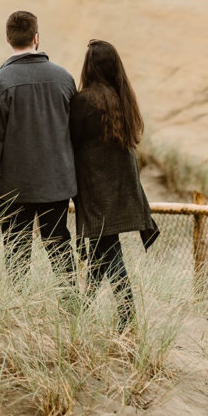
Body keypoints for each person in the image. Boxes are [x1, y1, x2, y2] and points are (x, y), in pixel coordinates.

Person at [0, 10, 77, 285]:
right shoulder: (64, 79)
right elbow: (75, 133)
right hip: (56, 184)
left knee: (16, 251)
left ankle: (18, 305)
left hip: (15, 187)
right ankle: (71, 304)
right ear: (36, 38)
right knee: (59, 246)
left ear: (8, 39)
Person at [69, 39, 158, 331]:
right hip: (122, 187)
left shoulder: (84, 101)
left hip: (97, 189)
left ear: (89, 67)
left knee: (108, 248)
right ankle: (83, 309)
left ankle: (127, 314)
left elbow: (71, 141)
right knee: (100, 247)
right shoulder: (123, 99)